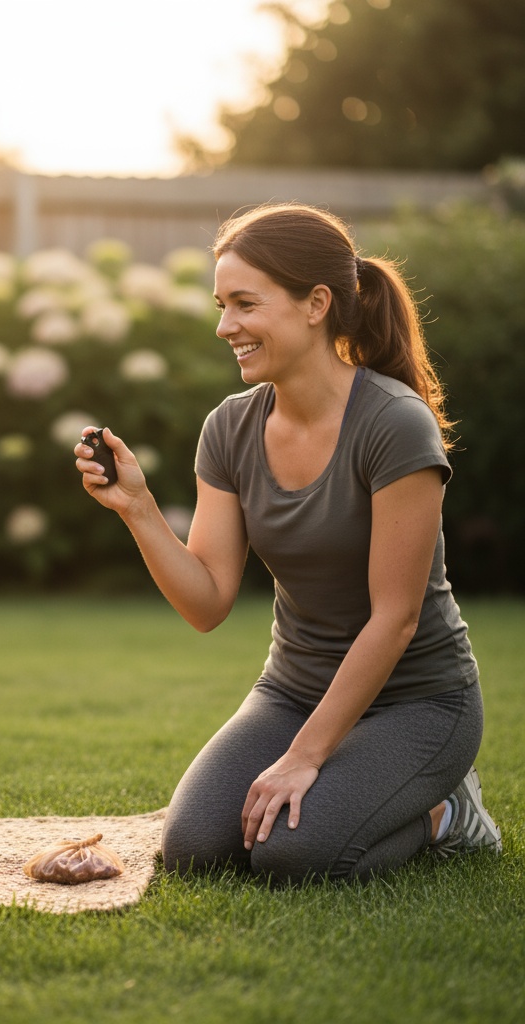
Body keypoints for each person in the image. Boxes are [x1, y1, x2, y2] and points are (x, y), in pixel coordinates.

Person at [74, 202, 501, 883]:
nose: (225, 327)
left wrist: (303, 758)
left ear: (316, 304)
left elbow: (396, 619)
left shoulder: (394, 424)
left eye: (245, 304)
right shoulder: (231, 428)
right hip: (293, 688)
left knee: (294, 854)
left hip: (417, 700)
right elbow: (208, 602)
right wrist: (138, 508)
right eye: (221, 305)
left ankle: (447, 812)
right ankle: (358, 786)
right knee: (195, 849)